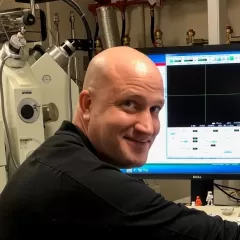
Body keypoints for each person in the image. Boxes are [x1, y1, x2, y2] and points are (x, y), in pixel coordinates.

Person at [0, 46, 239, 239]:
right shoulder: (85, 180)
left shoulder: (63, 156)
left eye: (155, 109)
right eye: (129, 104)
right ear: (87, 105)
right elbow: (223, 236)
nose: (147, 126)